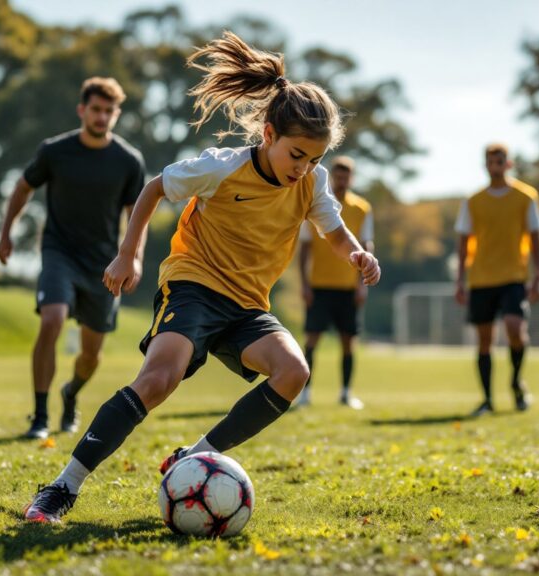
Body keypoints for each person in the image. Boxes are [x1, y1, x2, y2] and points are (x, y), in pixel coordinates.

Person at [23, 31, 381, 523]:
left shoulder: (314, 182)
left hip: (249, 304)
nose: (305, 167)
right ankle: (62, 487)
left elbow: (334, 231)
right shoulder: (224, 167)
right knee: (159, 379)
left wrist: (358, 253)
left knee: (294, 372)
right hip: (193, 282)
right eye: (297, 154)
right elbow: (152, 190)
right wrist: (128, 255)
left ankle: (194, 455)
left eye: (315, 159)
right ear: (269, 135)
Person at [0, 77, 146, 439]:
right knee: (52, 320)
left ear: (116, 114)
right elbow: (23, 188)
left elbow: (136, 214)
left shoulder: (128, 161)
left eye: (109, 111)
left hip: (104, 264)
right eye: (96, 109)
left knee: (91, 355)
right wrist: (5, 234)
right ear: (82, 110)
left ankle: (71, 392)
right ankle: (40, 416)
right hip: (59, 252)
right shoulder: (54, 151)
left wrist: (135, 258)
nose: (101, 117)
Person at [454, 143, 539, 416]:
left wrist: (538, 275)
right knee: (484, 340)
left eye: (500, 160)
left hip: (514, 277)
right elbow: (463, 240)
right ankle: (487, 400)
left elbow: (536, 236)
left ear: (509, 163)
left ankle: (516, 383)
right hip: (481, 279)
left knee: (516, 330)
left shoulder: (525, 196)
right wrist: (460, 279)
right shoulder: (474, 201)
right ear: (486, 164)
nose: (496, 165)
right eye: (491, 160)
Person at [296, 155, 374, 409]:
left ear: (351, 178)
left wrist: (362, 284)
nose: (341, 180)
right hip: (320, 285)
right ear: (332, 177)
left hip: (348, 287)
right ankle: (305, 393)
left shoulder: (362, 208)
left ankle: (346, 392)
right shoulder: (319, 204)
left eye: (345, 176)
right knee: (312, 340)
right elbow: (305, 248)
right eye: (337, 176)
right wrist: (305, 284)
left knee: (348, 341)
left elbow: (366, 245)